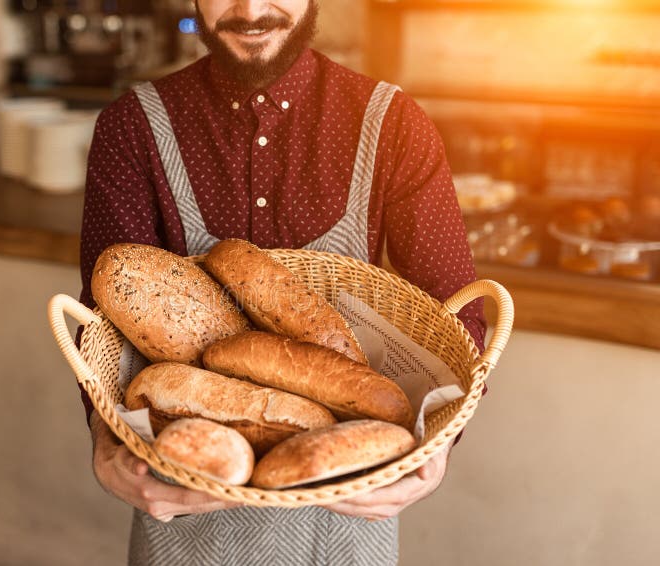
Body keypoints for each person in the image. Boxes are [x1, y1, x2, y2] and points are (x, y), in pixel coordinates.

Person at [77, 1, 486, 563]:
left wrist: (435, 450)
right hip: (186, 492)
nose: (250, 8)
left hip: (348, 500)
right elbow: (101, 325)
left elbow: (456, 317)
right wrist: (105, 443)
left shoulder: (393, 123)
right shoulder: (132, 126)